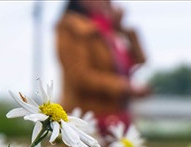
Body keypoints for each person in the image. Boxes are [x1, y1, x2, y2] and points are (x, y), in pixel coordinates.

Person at [56, 0, 149, 136]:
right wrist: (125, 87)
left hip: (116, 119)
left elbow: (140, 59)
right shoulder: (72, 26)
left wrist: (121, 27)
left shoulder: (107, 30)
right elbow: (80, 77)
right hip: (86, 120)